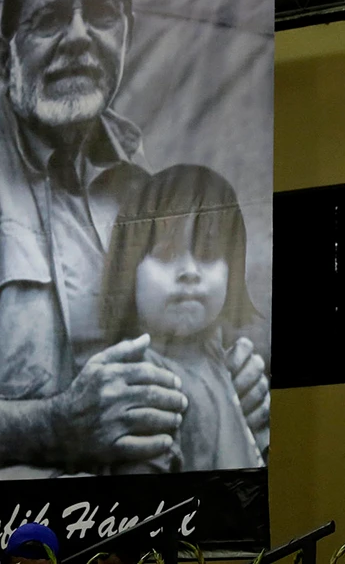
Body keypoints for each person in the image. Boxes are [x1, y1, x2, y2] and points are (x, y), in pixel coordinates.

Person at [0, 0, 266, 482]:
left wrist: (228, 390)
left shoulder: (146, 190)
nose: (78, 36)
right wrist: (55, 425)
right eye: (50, 19)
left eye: (100, 13)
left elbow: (182, 356)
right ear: (6, 58)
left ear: (124, 36)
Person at [102, 164, 270, 473]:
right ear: (128, 272)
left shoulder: (232, 364)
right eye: (166, 254)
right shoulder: (143, 383)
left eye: (207, 254)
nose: (189, 271)